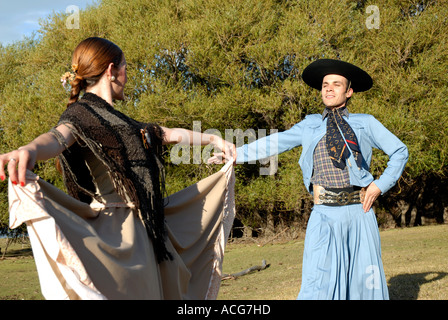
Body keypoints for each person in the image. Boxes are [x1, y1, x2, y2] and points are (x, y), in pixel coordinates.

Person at [1, 37, 236, 300]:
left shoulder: (125, 123)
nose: (127, 76)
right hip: (117, 238)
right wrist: (30, 150)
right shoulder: (80, 114)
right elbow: (57, 137)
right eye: (126, 68)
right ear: (112, 70)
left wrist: (214, 138)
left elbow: (167, 133)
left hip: (146, 231)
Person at [227, 59, 409, 299]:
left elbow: (399, 151)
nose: (329, 88)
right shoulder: (309, 125)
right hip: (323, 214)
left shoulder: (366, 123)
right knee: (317, 284)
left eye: (336, 84)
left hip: (359, 213)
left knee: (363, 284)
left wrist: (378, 186)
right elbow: (275, 142)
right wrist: (237, 154)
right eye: (325, 84)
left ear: (349, 91)